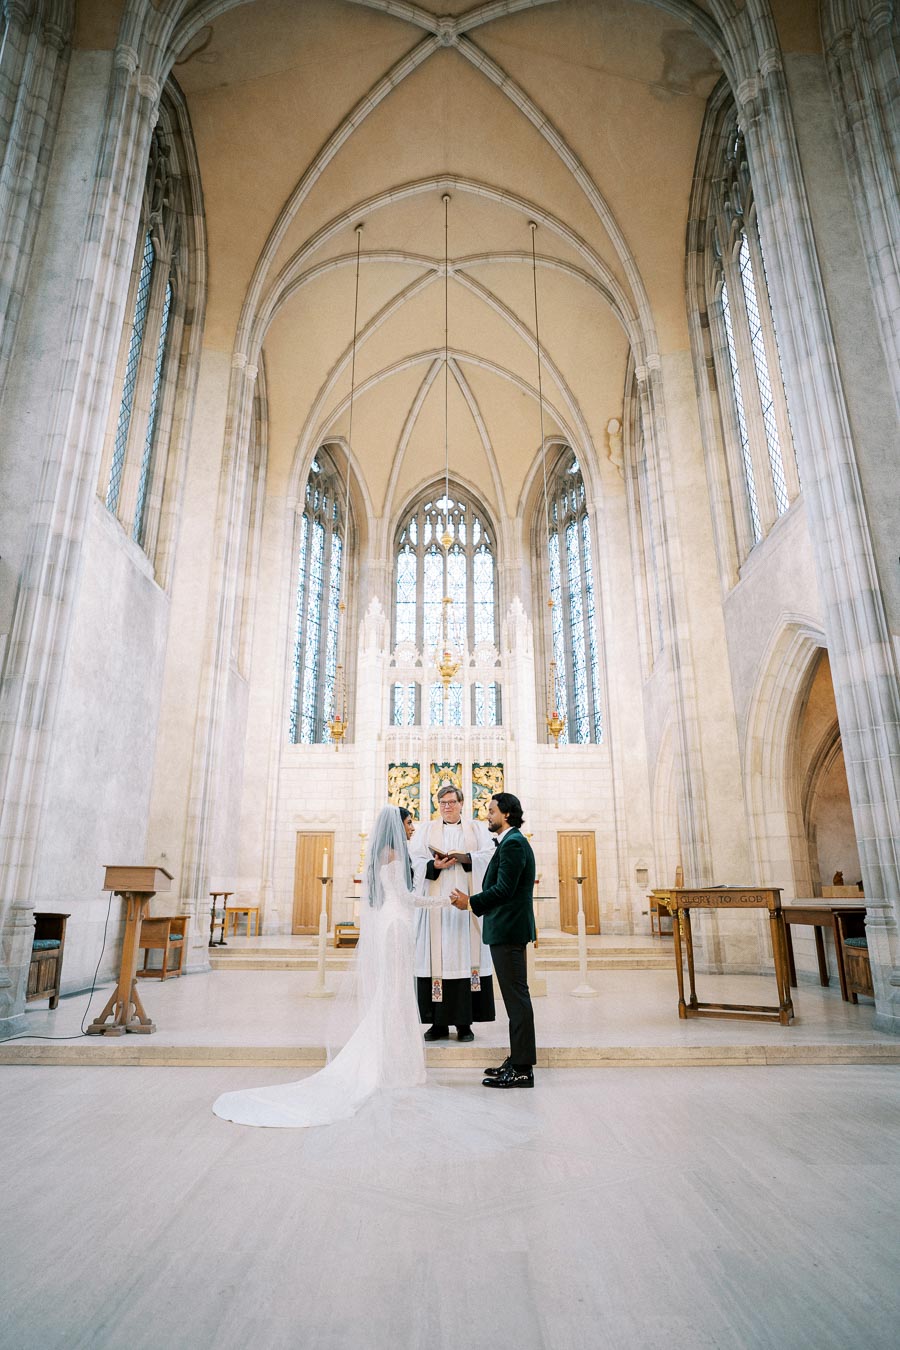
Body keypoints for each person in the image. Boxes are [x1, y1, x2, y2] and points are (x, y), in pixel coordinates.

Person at [212, 806, 449, 1128]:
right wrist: (445, 901)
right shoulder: (394, 855)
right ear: (397, 825)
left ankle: (390, 1061)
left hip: (390, 924)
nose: (412, 828)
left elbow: (398, 894)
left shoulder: (384, 854)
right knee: (395, 994)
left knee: (392, 993)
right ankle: (393, 1065)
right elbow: (407, 898)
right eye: (409, 823)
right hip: (397, 926)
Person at [450, 791, 536, 1089]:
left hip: (509, 930)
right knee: (515, 1000)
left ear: (507, 814)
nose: (488, 815)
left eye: (491, 810)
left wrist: (470, 902)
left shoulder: (513, 844)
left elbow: (504, 890)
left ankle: (523, 1068)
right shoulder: (510, 843)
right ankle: (517, 1059)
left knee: (517, 1000)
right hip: (506, 928)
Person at [409, 783, 495, 1043]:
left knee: (464, 961)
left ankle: (464, 1024)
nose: (447, 807)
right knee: (437, 961)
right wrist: (432, 864)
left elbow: (490, 855)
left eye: (452, 802)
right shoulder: (425, 831)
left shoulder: (476, 829)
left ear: (461, 803)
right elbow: (413, 859)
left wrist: (467, 858)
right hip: (435, 907)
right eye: (443, 802)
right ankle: (437, 1024)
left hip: (465, 909)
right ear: (438, 805)